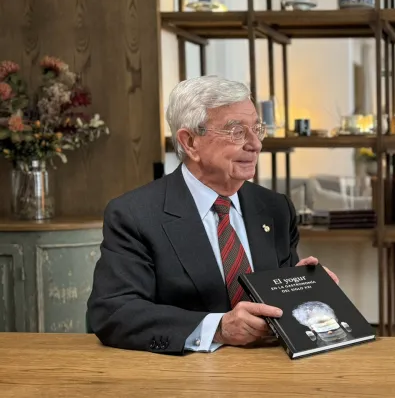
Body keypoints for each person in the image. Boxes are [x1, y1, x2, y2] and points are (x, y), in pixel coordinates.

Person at [86, 75, 338, 354]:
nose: (255, 144)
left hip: (272, 371)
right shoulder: (135, 214)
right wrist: (218, 328)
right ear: (191, 141)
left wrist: (305, 286)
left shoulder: (276, 208)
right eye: (236, 131)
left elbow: (276, 304)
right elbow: (114, 312)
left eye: (257, 129)